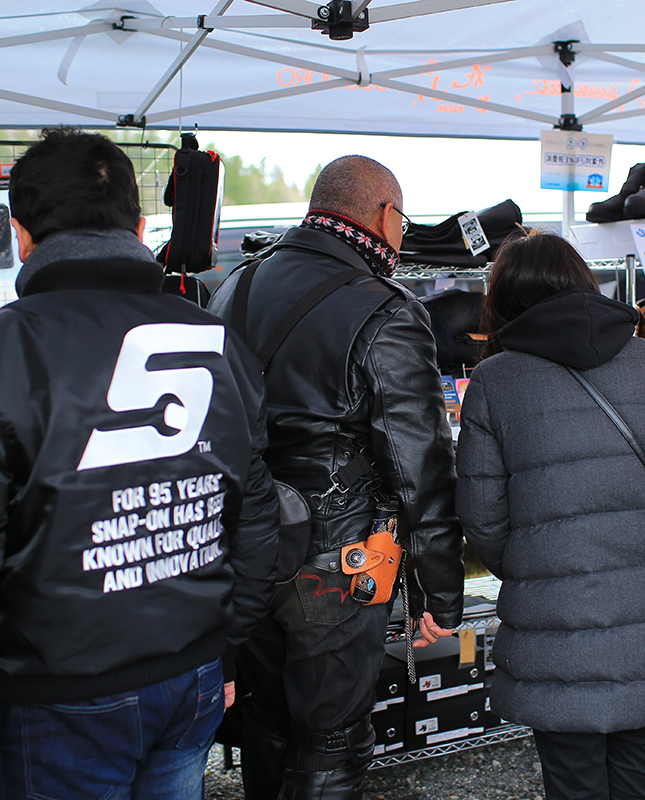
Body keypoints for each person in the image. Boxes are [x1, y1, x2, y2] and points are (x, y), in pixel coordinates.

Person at [0, 127, 281, 798]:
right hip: (186, 674)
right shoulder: (219, 343)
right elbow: (255, 516)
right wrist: (229, 645)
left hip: (62, 695)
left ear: (20, 235)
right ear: (140, 228)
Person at [206, 154, 465, 799]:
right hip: (336, 558)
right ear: (385, 215)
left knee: (267, 714)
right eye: (403, 222)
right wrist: (440, 588)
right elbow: (420, 464)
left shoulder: (235, 285)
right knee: (332, 737)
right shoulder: (386, 308)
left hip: (242, 539)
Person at [455, 229, 645, 800]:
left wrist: (538, 565)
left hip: (554, 622)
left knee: (572, 784)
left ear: (503, 299)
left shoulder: (495, 381)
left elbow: (482, 518)